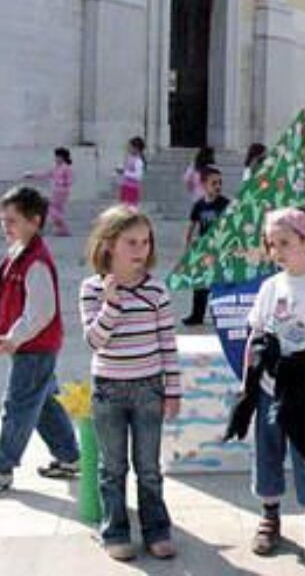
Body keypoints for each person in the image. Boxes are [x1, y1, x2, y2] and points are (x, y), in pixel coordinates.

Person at [80, 205, 181, 561]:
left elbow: (168, 342)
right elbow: (94, 342)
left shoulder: (156, 290)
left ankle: (157, 530)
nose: (140, 249)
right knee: (112, 468)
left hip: (149, 389)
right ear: (109, 245)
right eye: (131, 242)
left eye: (145, 241)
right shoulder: (92, 289)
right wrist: (111, 304)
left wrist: (173, 390)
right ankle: (116, 531)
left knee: (149, 468)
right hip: (108, 390)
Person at [245, 207, 305, 566]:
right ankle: (269, 515)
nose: (277, 252)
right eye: (272, 245)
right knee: (267, 451)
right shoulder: (270, 288)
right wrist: (249, 384)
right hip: (271, 387)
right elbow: (256, 335)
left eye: (284, 243)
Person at [0, 186, 80, 493]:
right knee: (44, 402)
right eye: (4, 220)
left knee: (18, 405)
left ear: (35, 221)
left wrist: (13, 337)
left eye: (12, 221)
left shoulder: (36, 261)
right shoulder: (16, 254)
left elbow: (41, 311)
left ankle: (3, 466)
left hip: (34, 346)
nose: (6, 227)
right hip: (30, 346)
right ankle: (69, 456)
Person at [182, 167, 231, 326]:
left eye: (220, 183)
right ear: (204, 185)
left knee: (219, 285)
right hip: (203, 252)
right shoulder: (199, 205)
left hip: (220, 250)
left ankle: (221, 315)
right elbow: (191, 226)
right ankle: (197, 315)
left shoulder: (225, 204)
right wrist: (188, 247)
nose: (218, 186)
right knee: (200, 286)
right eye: (214, 183)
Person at [23, 147, 74, 236]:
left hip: (61, 192)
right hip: (56, 191)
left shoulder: (66, 168)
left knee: (53, 210)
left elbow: (70, 180)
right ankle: (61, 229)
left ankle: (64, 229)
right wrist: (32, 175)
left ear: (63, 157)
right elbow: (45, 174)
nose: (56, 158)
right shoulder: (56, 168)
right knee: (57, 211)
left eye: (58, 156)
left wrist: (63, 184)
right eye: (56, 156)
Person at [117, 136, 146, 206]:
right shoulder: (129, 158)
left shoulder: (139, 161)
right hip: (125, 186)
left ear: (136, 148)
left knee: (129, 209)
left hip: (132, 189)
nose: (128, 149)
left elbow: (138, 176)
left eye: (130, 147)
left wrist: (124, 172)